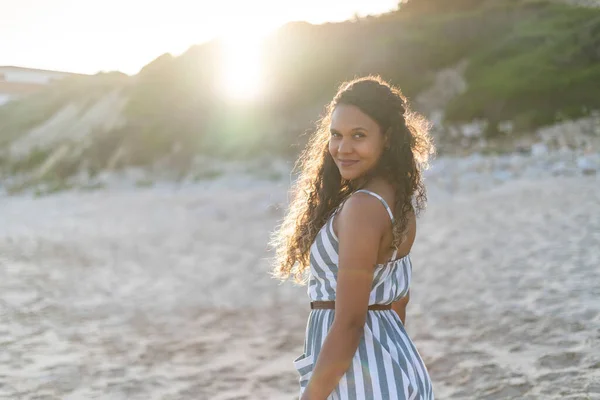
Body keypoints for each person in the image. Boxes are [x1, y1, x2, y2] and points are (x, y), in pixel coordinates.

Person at [270, 76, 435, 399]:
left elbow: (349, 323)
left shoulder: (362, 208)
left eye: (358, 136)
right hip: (389, 369)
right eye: (336, 135)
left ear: (387, 138)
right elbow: (398, 300)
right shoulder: (394, 200)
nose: (343, 148)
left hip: (364, 379)